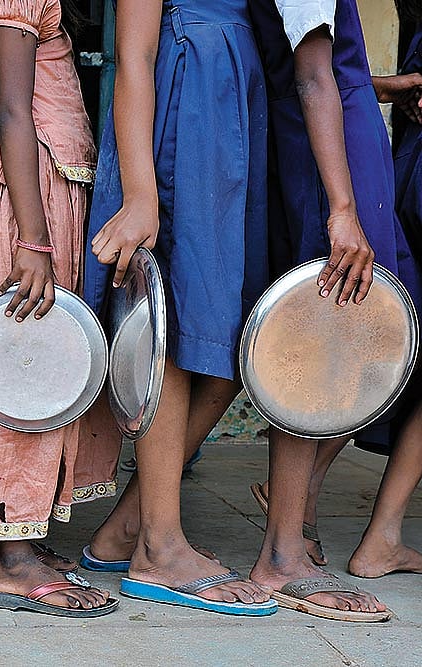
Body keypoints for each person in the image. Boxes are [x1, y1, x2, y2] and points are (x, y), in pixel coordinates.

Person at [83, 0, 276, 615]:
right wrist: (141, 192)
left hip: (234, 104)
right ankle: (160, 548)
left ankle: (128, 528)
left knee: (230, 335)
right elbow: (136, 54)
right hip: (185, 107)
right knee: (176, 324)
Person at [0, 0, 120, 619]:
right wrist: (33, 240)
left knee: (35, 368)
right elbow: (14, 112)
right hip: (24, 202)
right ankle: (12, 556)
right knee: (17, 371)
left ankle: (10, 537)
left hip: (38, 194)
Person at [245, 0, 419, 621]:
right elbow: (314, 73)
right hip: (334, 157)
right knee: (330, 340)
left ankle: (295, 526)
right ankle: (283, 555)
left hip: (339, 146)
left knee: (353, 341)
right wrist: (342, 208)